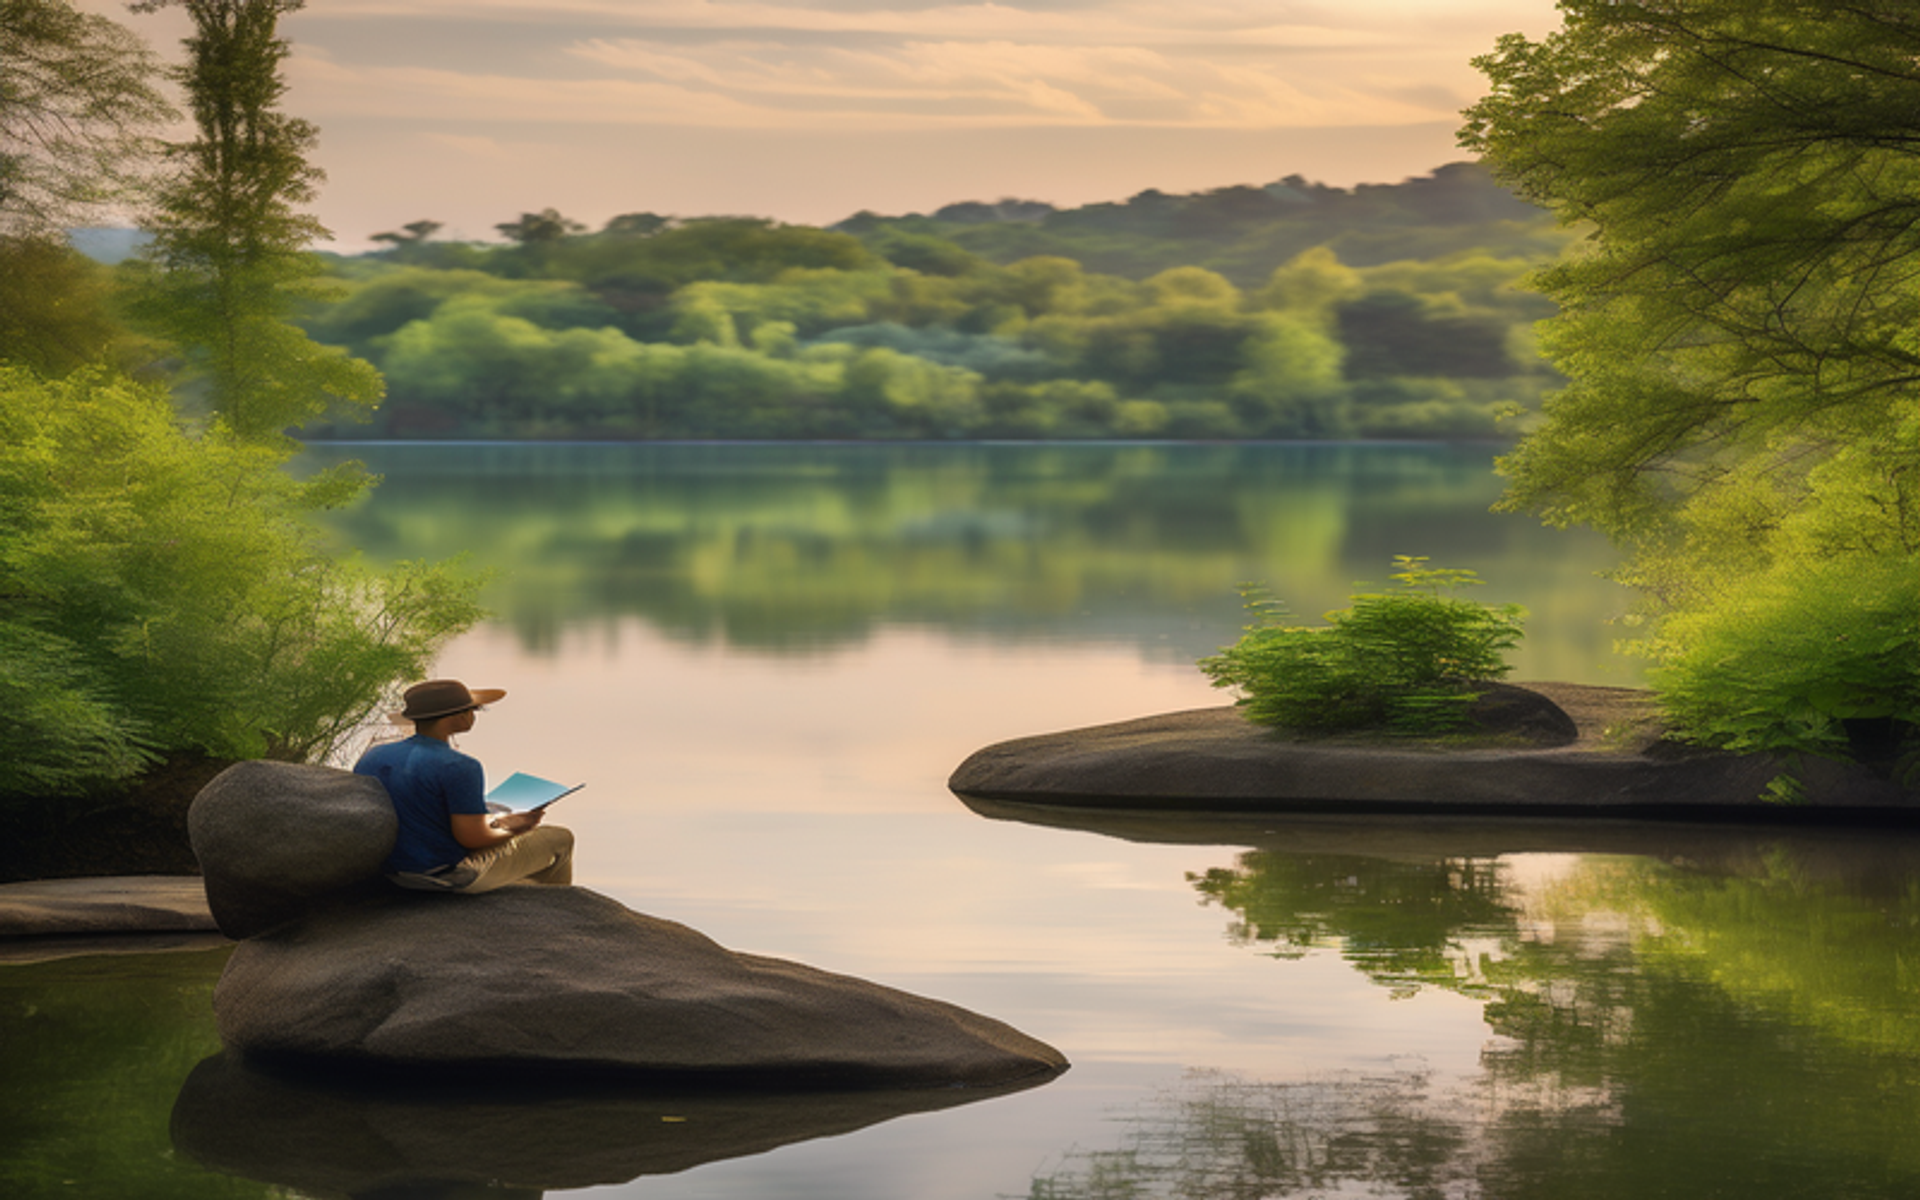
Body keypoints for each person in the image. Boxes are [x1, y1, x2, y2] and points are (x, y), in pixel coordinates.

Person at [354, 679, 574, 893]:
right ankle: (559, 916)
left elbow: (421, 812)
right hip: (440, 876)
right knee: (560, 838)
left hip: (386, 872)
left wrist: (499, 823)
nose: (473, 715)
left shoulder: (375, 755)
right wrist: (517, 828)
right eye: (474, 710)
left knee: (498, 825)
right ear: (460, 716)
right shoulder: (460, 765)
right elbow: (473, 839)